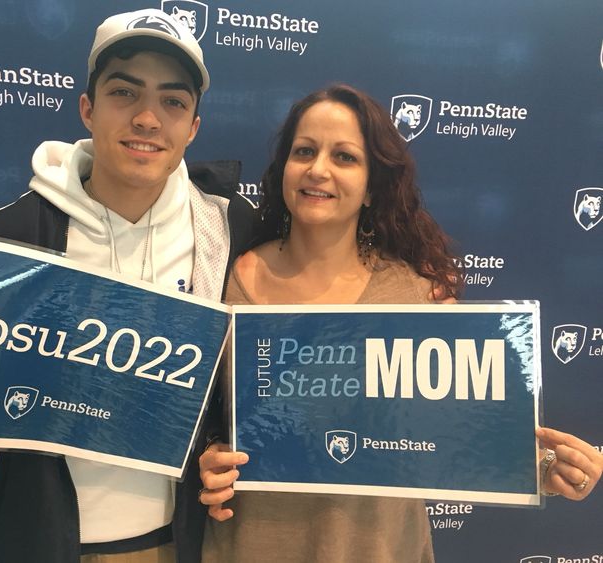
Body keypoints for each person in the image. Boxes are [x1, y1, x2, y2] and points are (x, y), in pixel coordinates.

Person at [0, 9, 255, 563]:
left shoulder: (229, 228)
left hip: (185, 544)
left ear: (192, 127)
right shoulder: (15, 235)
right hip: (48, 544)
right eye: (125, 93)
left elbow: (294, 326)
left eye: (173, 101)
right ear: (88, 109)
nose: (148, 118)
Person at [197, 84, 603, 563]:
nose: (318, 169)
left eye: (344, 157)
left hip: (381, 549)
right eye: (304, 151)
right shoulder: (224, 277)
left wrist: (548, 467)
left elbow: (466, 432)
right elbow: (199, 423)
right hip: (252, 547)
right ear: (284, 167)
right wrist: (209, 459)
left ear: (372, 187)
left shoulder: (418, 295)